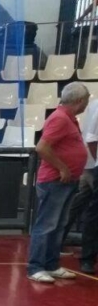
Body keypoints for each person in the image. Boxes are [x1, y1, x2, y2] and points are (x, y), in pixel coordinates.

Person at [29, 82, 89, 283]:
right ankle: (35, 266)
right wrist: (63, 167)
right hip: (55, 181)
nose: (87, 104)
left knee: (58, 224)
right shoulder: (60, 119)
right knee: (47, 224)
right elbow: (42, 147)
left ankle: (51, 264)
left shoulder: (68, 119)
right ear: (80, 100)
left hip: (65, 181)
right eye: (87, 100)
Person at [64, 96, 98, 275]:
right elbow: (92, 139)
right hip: (92, 165)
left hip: (91, 163)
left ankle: (59, 240)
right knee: (92, 212)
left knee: (82, 205)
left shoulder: (94, 104)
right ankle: (87, 257)